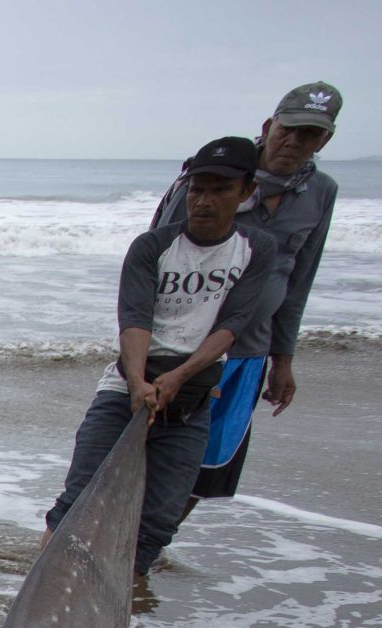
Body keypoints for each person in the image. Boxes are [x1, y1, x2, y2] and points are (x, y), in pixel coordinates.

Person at [39, 137, 274, 581]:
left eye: (219, 190)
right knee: (76, 503)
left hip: (193, 397)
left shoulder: (255, 250)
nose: (204, 201)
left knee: (157, 523)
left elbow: (232, 324)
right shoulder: (152, 246)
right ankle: (38, 605)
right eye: (197, 189)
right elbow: (134, 319)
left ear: (246, 192)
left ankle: (122, 606)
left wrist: (181, 376)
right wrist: (137, 382)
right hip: (127, 385)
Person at [153, 82, 343, 511]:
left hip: (248, 354)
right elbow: (152, 261)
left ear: (325, 139)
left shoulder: (321, 193)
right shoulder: (209, 178)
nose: (294, 142)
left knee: (204, 471)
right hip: (181, 348)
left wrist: (283, 360)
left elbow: (298, 281)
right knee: (148, 458)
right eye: (287, 130)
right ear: (268, 125)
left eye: (309, 135)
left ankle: (146, 555)